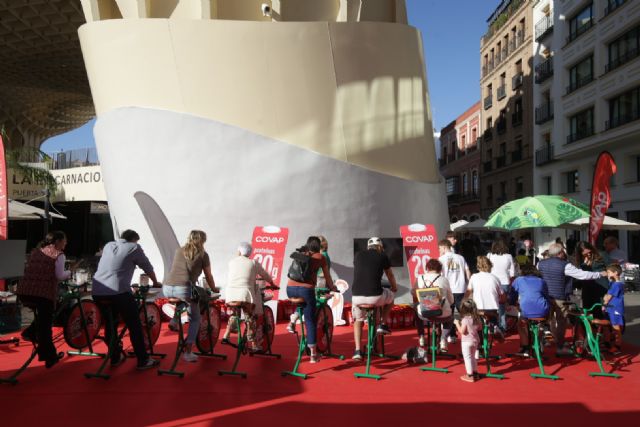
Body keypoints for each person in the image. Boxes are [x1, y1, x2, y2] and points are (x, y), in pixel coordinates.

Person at [92, 229, 161, 370]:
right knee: (134, 324)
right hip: (119, 292)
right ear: (134, 239)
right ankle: (143, 360)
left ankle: (115, 356)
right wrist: (155, 282)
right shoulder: (134, 247)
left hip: (98, 291)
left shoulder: (109, 245)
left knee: (110, 325)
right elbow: (147, 266)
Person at [537, 243, 606, 356]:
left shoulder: (540, 264)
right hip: (560, 297)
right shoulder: (565, 265)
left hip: (545, 297)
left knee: (542, 322)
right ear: (560, 253)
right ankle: (559, 347)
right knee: (561, 322)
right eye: (563, 251)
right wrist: (599, 274)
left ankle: (539, 346)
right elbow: (582, 275)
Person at [17, 231, 73, 368]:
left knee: (43, 321)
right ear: (58, 241)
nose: (66, 243)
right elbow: (59, 275)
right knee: (45, 326)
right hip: (42, 293)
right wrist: (70, 272)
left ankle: (30, 333)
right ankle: (50, 357)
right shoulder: (59, 254)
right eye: (64, 240)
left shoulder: (37, 251)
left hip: (25, 291)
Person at [163, 230, 216, 363]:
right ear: (202, 241)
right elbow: (208, 275)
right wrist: (214, 288)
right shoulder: (203, 255)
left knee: (188, 297)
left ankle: (175, 320)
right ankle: (187, 352)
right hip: (184, 289)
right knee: (195, 319)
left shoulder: (179, 251)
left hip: (168, 288)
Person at [287, 236, 337, 363]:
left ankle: (294, 318)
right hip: (306, 290)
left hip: (290, 289)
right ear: (318, 246)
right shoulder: (321, 257)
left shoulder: (300, 254)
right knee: (310, 321)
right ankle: (313, 355)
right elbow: (327, 276)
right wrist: (332, 287)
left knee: (305, 307)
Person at [351, 237, 398, 360]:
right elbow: (390, 275)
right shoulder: (382, 256)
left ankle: (357, 350)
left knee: (358, 321)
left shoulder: (358, 255)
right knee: (391, 297)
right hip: (375, 297)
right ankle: (382, 324)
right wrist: (394, 287)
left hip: (357, 296)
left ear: (368, 247)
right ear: (380, 247)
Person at [222, 242, 275, 351]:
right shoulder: (253, 263)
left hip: (230, 294)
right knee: (250, 318)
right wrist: (272, 284)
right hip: (245, 295)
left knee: (235, 313)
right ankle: (254, 344)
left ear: (240, 251)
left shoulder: (231, 262)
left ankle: (226, 335)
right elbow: (264, 275)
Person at [414, 259, 453, 350]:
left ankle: (421, 336)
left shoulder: (420, 278)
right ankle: (443, 338)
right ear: (440, 269)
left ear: (427, 268)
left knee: (415, 308)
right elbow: (451, 299)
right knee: (451, 317)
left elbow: (413, 292)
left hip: (425, 312)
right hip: (442, 312)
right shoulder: (444, 279)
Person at [512, 264, 550, 356]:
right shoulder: (541, 281)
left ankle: (525, 347)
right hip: (542, 309)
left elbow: (512, 294)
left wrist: (513, 303)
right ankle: (541, 335)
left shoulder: (519, 280)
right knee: (542, 320)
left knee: (521, 324)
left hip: (526, 308)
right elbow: (546, 296)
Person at [438, 239, 470, 343]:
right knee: (463, 312)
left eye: (439, 248)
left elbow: (439, 275)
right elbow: (467, 271)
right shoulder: (460, 257)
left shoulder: (441, 259)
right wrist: (469, 283)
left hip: (448, 289)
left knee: (449, 313)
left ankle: (451, 335)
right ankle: (468, 332)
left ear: (443, 247)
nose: (439, 250)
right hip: (460, 288)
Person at [465, 256, 504, 339]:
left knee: (476, 323)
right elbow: (502, 295)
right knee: (494, 318)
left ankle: (479, 340)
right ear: (490, 266)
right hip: (492, 308)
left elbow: (469, 291)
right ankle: (494, 327)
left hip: (478, 308)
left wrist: (464, 301)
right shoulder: (495, 278)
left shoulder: (474, 277)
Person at [574, 241, 608, 319]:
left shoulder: (601, 255)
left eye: (589, 252)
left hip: (601, 287)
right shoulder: (580, 261)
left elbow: (611, 267)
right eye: (585, 254)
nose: (588, 254)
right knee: (588, 311)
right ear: (580, 253)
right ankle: (592, 329)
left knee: (601, 312)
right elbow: (579, 273)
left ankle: (603, 329)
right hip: (587, 289)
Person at [487, 239, 516, 331]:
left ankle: (493, 324)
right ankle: (502, 326)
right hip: (504, 282)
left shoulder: (489, 255)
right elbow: (512, 273)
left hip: (492, 281)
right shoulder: (509, 256)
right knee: (502, 305)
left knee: (491, 304)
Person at [454, 299, 481, 383]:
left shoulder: (465, 320)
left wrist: (457, 324)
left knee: (467, 357)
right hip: (475, 340)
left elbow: (462, 331)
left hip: (466, 341)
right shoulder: (477, 318)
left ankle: (470, 375)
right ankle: (475, 372)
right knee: (473, 357)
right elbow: (480, 328)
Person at [603, 263, 625, 354]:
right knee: (609, 325)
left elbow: (608, 297)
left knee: (616, 327)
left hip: (615, 308)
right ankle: (608, 343)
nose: (607, 274)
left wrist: (604, 302)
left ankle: (617, 346)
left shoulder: (617, 285)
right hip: (611, 308)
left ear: (615, 273)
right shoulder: (614, 283)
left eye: (609, 272)